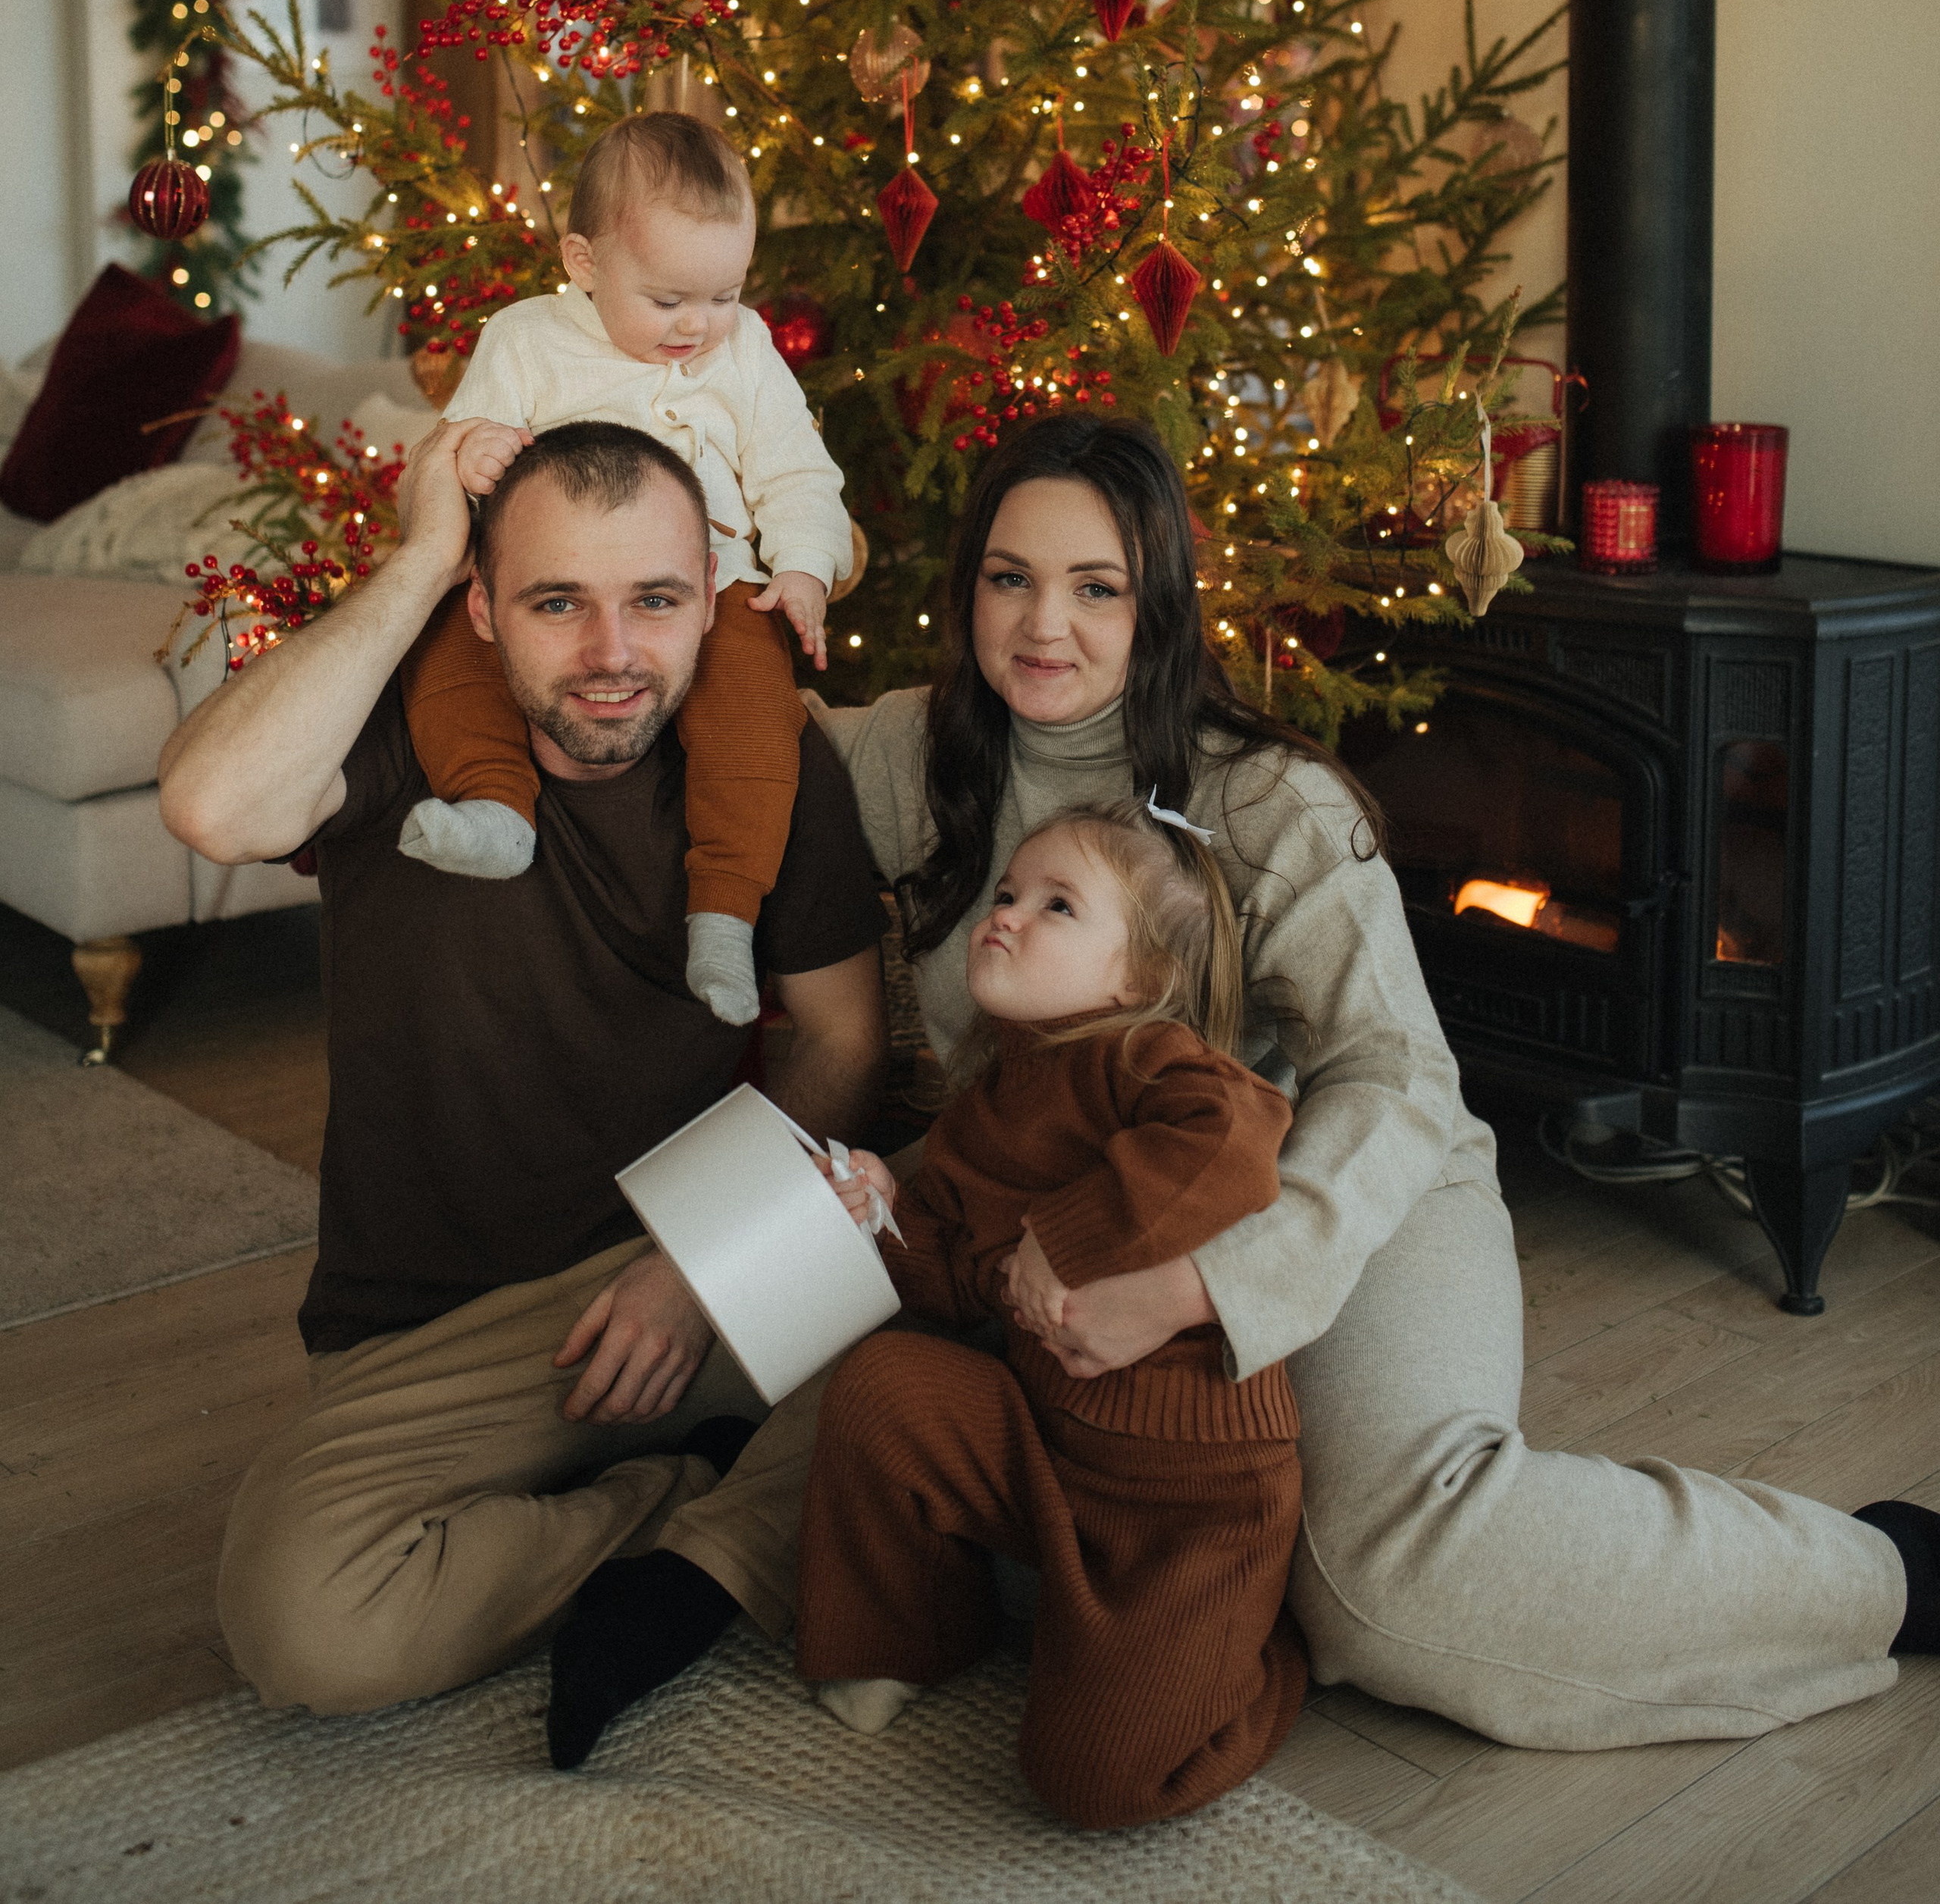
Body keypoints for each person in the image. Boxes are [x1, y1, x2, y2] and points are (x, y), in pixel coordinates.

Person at [795, 411, 1934, 1749]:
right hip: (1092, 1222)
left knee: (1388, 1583)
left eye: (1097, 587)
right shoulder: (910, 755)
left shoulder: (1266, 802)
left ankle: (1886, 1575)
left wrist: (1207, 1287)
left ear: (1156, 604)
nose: (1045, 624)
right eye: (1009, 578)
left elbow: (1396, 1080)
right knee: (880, 1426)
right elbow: (735, 721)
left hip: (1340, 1189)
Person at [157, 415, 888, 1774]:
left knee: (936, 1362)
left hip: (686, 1273)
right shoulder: (399, 731)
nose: (614, 656)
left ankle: (703, 1528)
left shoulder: (770, 764)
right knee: (303, 1626)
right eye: (559, 602)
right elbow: (209, 806)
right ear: (483, 608)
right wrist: (419, 552)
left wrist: (698, 1259)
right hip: (435, 1331)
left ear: (709, 596)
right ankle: (692, 1515)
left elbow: (843, 1042)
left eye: (656, 602)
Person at [799, 799, 1306, 1830]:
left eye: (1057, 904)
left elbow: (1239, 1134)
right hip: (1049, 1452)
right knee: (882, 1386)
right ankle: (918, 1633)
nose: (1008, 915)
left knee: (1094, 1779)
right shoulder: (980, 1106)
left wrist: (1063, 1233)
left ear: (1138, 977)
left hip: (1187, 1502)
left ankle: (1262, 1663)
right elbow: (948, 1285)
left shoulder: (1149, 1057)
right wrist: (884, 1222)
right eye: (1007, 893)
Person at [399, 108, 853, 1029]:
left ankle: (724, 912)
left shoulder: (748, 349)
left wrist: (803, 566)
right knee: (451, 642)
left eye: (723, 295)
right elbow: (459, 446)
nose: (698, 324)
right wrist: (475, 449)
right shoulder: (527, 338)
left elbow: (797, 470)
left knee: (757, 714)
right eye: (668, 300)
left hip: (711, 580)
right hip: (555, 574)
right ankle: (494, 808)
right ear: (584, 264)